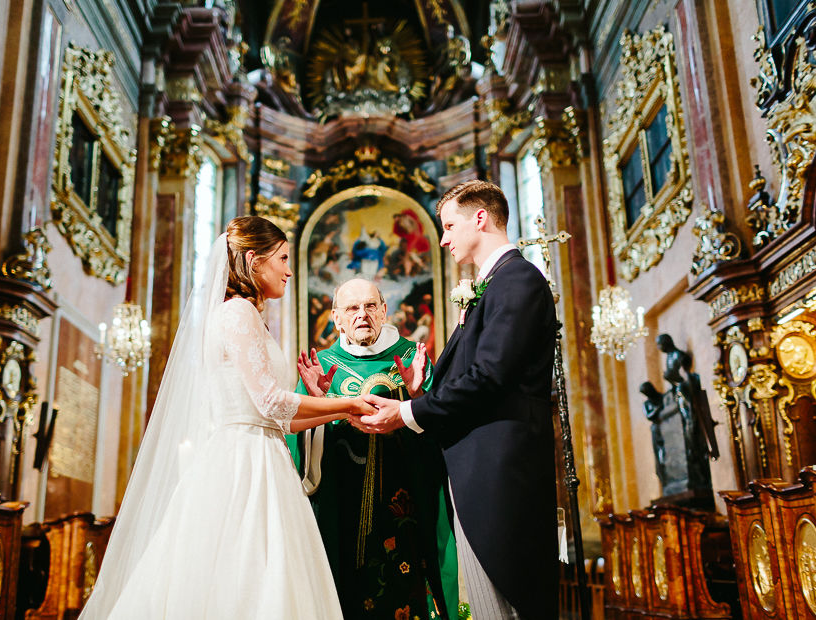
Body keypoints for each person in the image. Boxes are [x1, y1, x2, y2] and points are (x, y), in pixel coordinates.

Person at [81, 216, 373, 619]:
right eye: (283, 258)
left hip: (263, 451)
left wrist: (328, 404)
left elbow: (280, 420)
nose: (289, 269)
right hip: (243, 464)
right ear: (254, 260)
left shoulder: (250, 316)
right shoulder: (237, 313)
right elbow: (272, 402)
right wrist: (348, 403)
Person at [354, 180, 559, 619]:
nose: (443, 238)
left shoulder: (518, 279)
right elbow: (477, 375)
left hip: (501, 470)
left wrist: (407, 412)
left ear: (480, 218)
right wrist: (420, 390)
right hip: (477, 468)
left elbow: (490, 377)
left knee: (508, 603)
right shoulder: (493, 285)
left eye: (449, 225)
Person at [293, 278, 460, 620]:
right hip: (342, 506)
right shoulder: (322, 366)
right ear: (336, 318)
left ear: (384, 311)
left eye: (370, 306)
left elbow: (445, 426)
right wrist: (317, 403)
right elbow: (297, 444)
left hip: (406, 502)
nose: (362, 315)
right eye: (352, 308)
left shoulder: (413, 356)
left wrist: (418, 395)